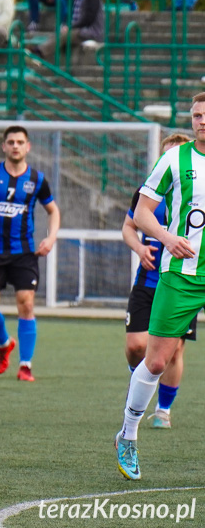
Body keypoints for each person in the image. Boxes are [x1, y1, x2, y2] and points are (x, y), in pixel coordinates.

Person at [115, 93, 205, 481]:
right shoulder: (175, 159)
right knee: (154, 361)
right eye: (197, 115)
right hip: (182, 274)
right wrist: (168, 238)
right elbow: (140, 214)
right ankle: (128, 434)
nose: (202, 121)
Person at [0, 125, 61, 382]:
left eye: (20, 142)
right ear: (4, 146)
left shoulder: (37, 179)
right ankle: (5, 343)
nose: (15, 146)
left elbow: (53, 211)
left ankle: (25, 366)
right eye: (11, 142)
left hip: (24, 252)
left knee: (26, 304)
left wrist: (51, 238)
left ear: (27, 146)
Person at [122, 133, 193, 431]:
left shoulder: (194, 194)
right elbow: (128, 226)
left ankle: (163, 409)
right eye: (166, 155)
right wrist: (139, 248)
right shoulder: (147, 193)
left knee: (173, 350)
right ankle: (139, 386)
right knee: (136, 347)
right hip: (147, 281)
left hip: (181, 281)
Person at [30, 0, 104, 64]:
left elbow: (88, 19)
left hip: (91, 31)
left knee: (65, 34)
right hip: (80, 29)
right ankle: (39, 52)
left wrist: (71, 27)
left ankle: (39, 53)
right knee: (61, 32)